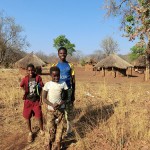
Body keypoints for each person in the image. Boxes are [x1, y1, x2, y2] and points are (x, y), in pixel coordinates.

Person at [43, 66, 68, 150]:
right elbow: (44, 98)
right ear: (51, 75)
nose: (56, 77)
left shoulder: (63, 84)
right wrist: (51, 104)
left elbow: (66, 97)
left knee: (61, 128)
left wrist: (61, 103)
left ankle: (57, 143)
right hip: (51, 110)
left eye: (58, 75)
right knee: (50, 128)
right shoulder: (48, 85)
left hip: (60, 110)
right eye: (54, 76)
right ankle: (48, 144)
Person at [52, 46, 75, 137]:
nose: (62, 55)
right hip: (58, 91)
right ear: (58, 54)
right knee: (58, 111)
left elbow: (73, 80)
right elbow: (53, 80)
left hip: (68, 91)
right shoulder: (55, 66)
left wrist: (73, 93)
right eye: (61, 53)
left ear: (66, 54)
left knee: (68, 112)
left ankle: (69, 131)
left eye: (64, 53)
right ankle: (57, 130)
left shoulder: (70, 65)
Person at [20, 63, 44, 143]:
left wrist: (41, 99)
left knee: (39, 116)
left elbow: (41, 89)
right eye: (29, 70)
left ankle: (41, 130)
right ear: (27, 71)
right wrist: (25, 91)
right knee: (27, 117)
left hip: (36, 101)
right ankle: (30, 132)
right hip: (28, 101)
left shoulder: (38, 78)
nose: (31, 72)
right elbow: (21, 86)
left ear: (34, 70)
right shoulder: (25, 79)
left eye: (32, 70)